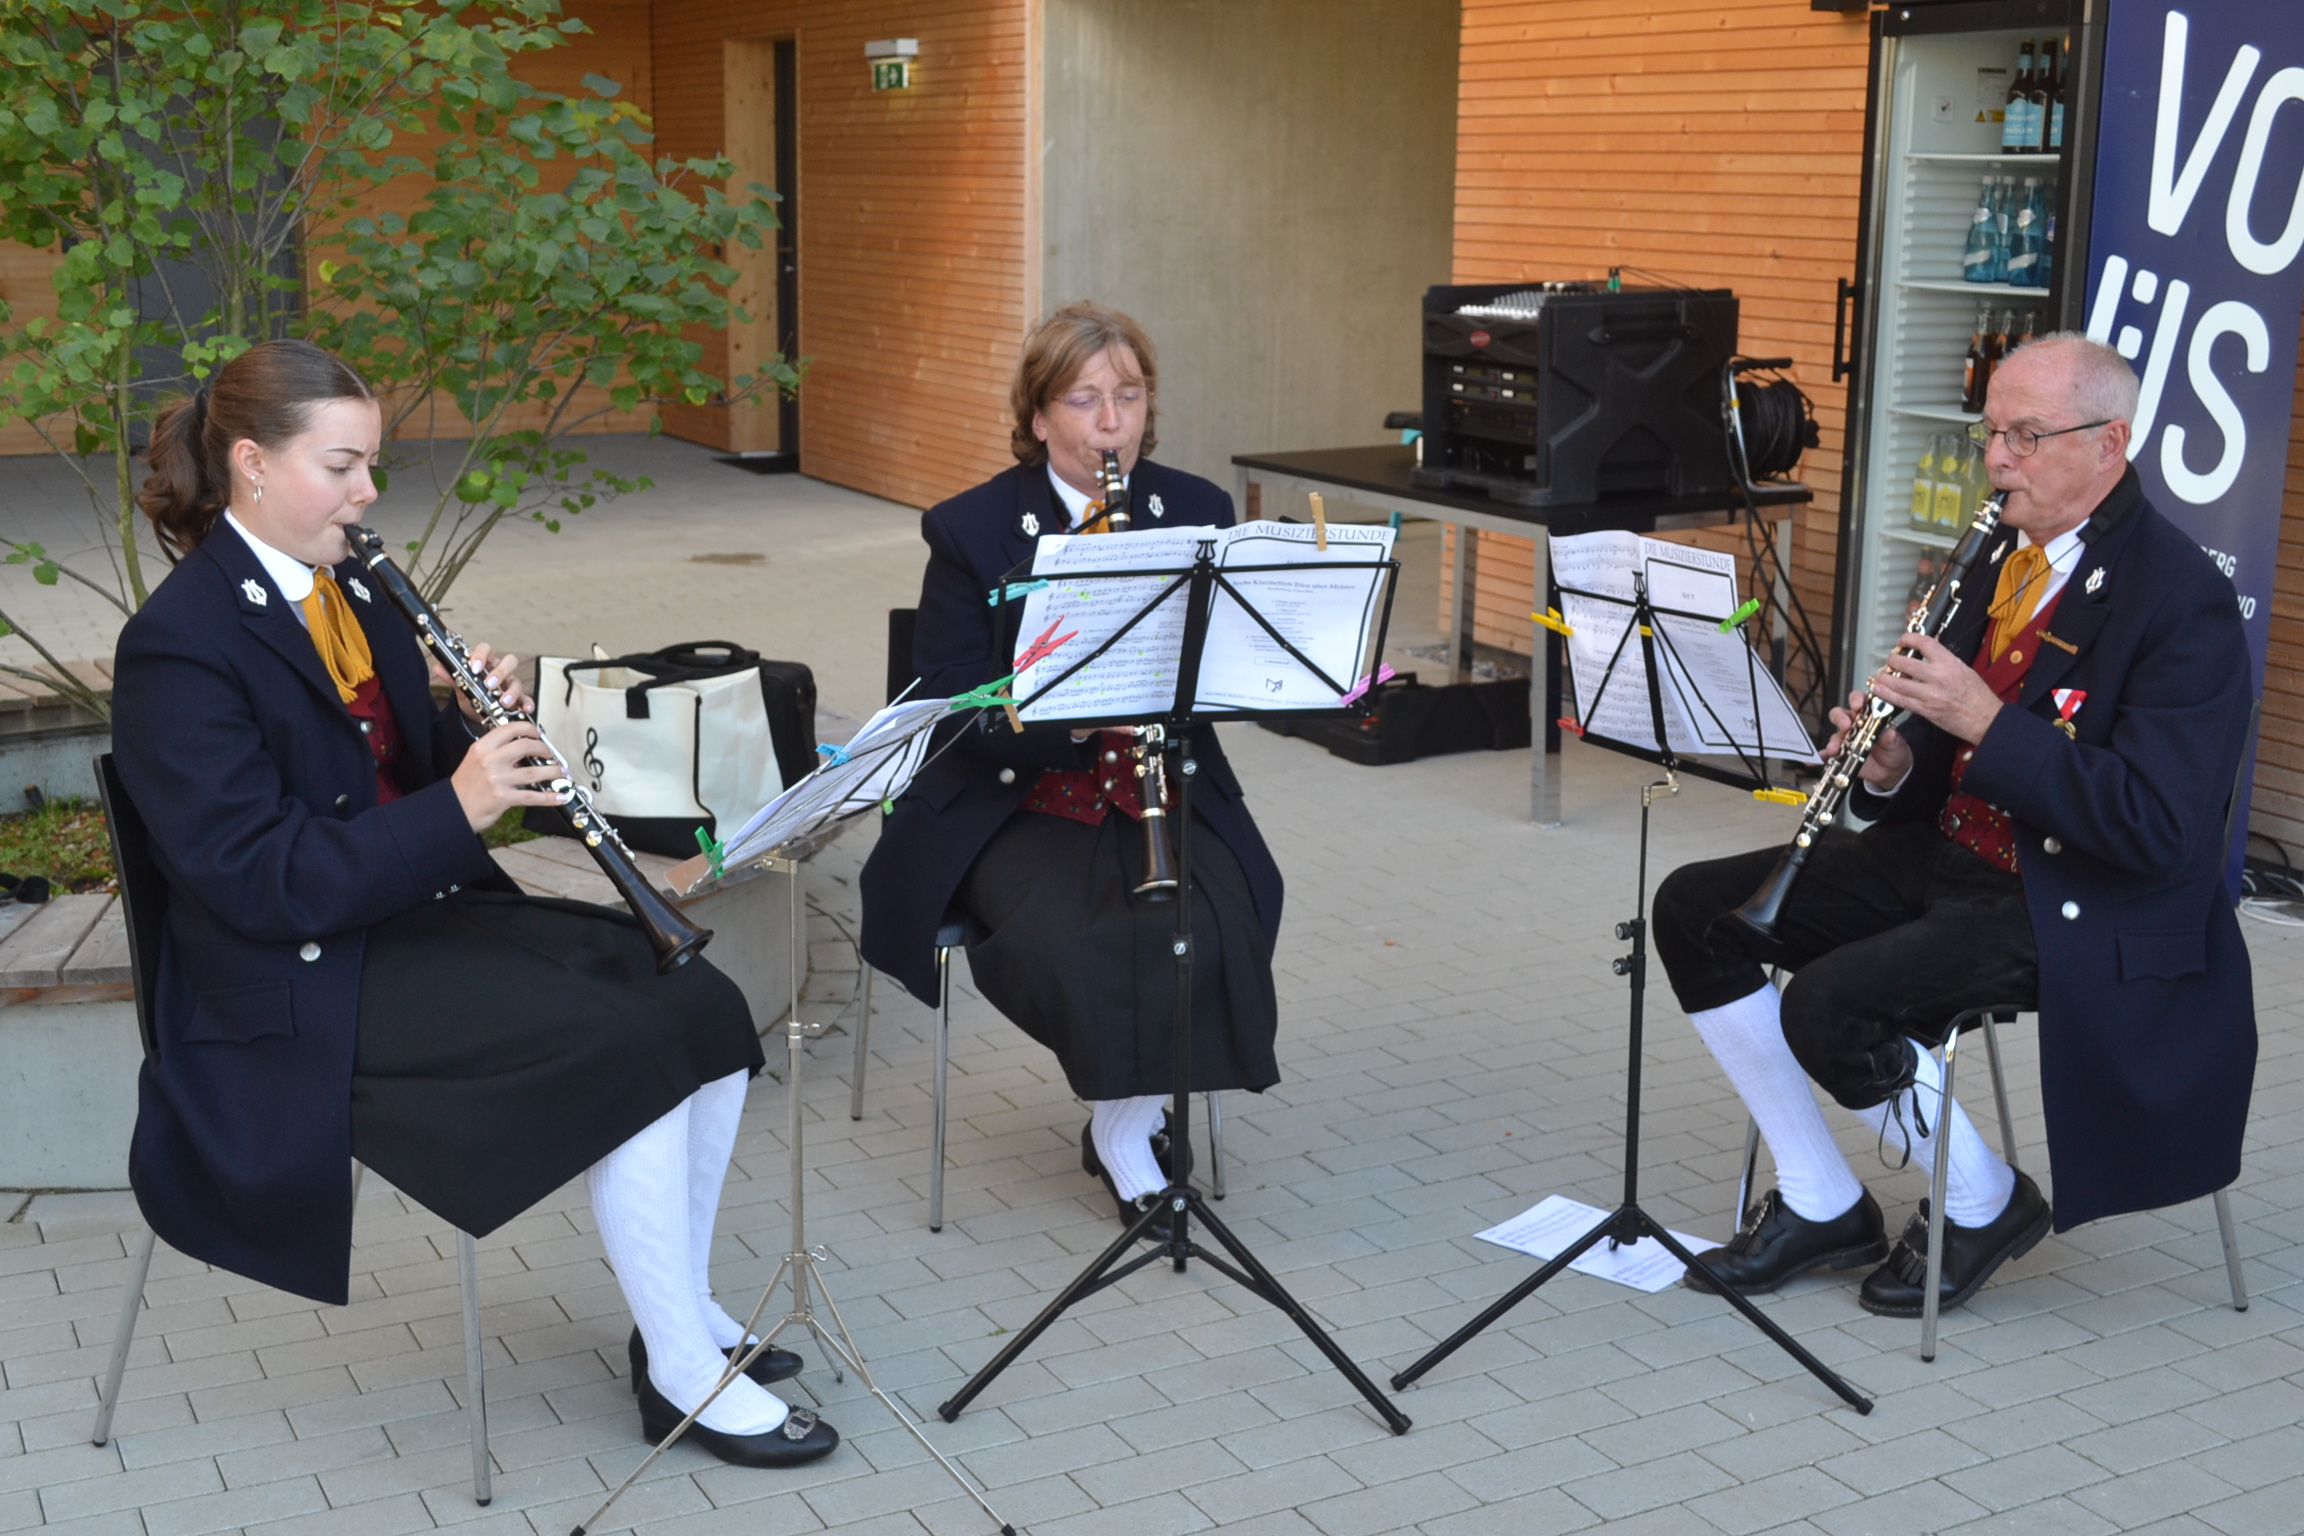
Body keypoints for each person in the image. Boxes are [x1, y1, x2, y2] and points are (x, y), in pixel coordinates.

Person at [113, 339, 837, 1468]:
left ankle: (680, 1313)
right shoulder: (177, 646)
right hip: (302, 982)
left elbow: (388, 765)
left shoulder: (350, 586)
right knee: (634, 1042)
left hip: (411, 914)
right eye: (342, 466)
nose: (367, 492)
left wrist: (469, 720)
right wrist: (461, 800)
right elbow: (257, 875)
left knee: (702, 1004)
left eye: (371, 465)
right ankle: (682, 1371)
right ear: (252, 464)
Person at [1650, 333, 2256, 1317]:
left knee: (1829, 1005)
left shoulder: (2182, 599)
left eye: (2026, 437)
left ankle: (1983, 1200)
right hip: (1948, 853)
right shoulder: (1996, 560)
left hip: (2076, 895)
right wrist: (1893, 768)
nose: (1998, 459)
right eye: (1991, 435)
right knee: (1695, 910)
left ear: (2109, 443)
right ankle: (1822, 1199)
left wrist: (1986, 723)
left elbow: (2158, 827)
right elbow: (1940, 760)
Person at [859, 303, 1285, 1236]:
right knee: (1090, 938)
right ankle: (1130, 1142)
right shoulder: (971, 528)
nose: (1111, 423)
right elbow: (953, 700)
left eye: (1128, 397)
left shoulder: (1198, 509)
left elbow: (1231, 663)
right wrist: (1074, 707)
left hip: (1163, 776)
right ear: (1039, 415)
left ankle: (1124, 1118)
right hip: (1019, 796)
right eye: (1085, 401)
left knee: (1232, 907)